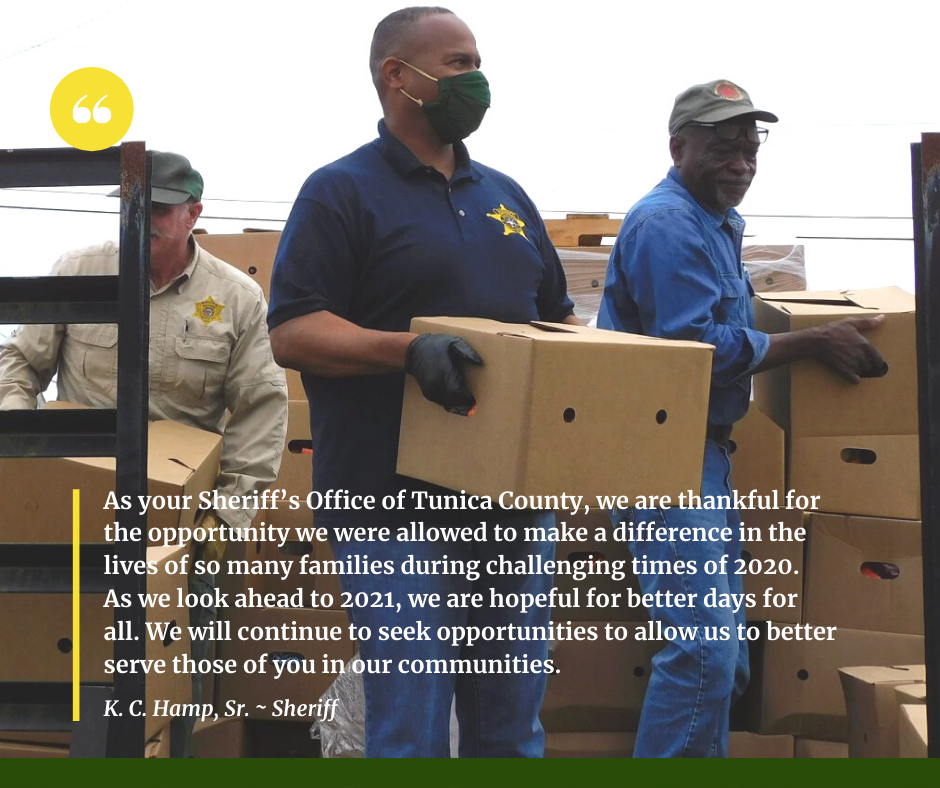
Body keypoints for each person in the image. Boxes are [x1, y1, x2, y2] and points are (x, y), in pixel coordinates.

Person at [267, 6, 579, 758]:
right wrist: (406, 350)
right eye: (460, 63)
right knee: (411, 724)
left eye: (479, 62)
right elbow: (292, 330)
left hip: (508, 507)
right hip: (388, 504)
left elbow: (558, 324)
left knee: (509, 722)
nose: (478, 79)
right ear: (398, 77)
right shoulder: (340, 192)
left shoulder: (507, 196)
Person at [597, 80, 886, 758]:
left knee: (725, 656)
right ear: (678, 147)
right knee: (703, 651)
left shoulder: (715, 223)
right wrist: (815, 342)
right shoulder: (667, 224)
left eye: (751, 150)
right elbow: (694, 348)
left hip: (701, 458)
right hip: (658, 459)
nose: (742, 163)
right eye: (725, 149)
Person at [0, 151, 289, 756]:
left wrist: (225, 518)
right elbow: (20, 361)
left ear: (193, 214)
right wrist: (21, 456)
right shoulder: (79, 269)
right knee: (64, 673)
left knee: (169, 695)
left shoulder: (235, 299)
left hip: (180, 529)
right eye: (134, 207)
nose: (145, 219)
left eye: (158, 209)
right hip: (76, 515)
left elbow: (261, 409)